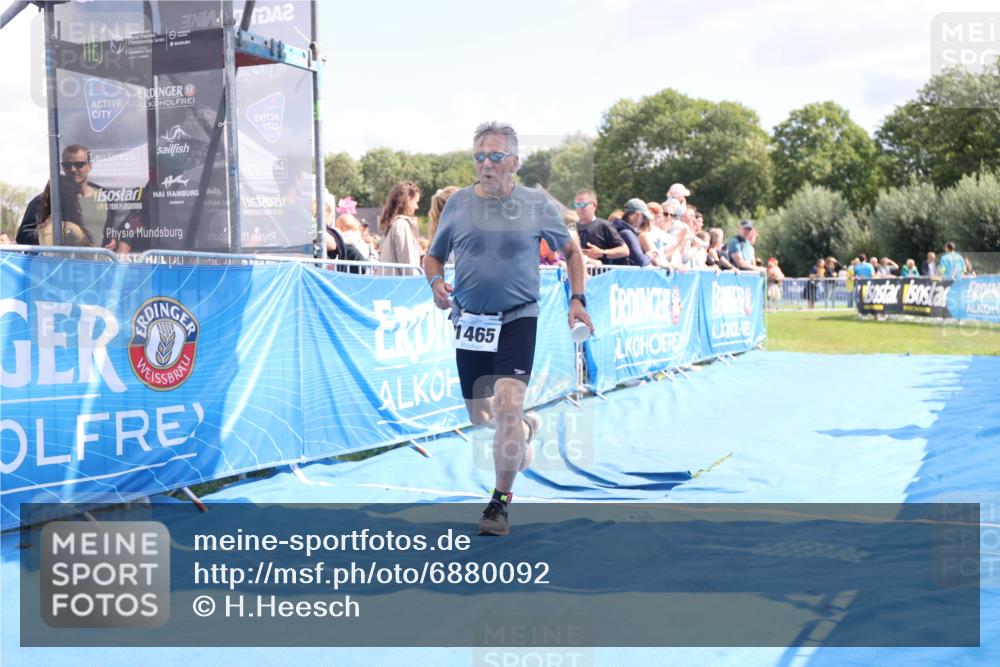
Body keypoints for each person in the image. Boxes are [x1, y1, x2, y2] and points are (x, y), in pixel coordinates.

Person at [424, 121, 592, 536]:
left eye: (496, 156)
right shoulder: (458, 204)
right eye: (479, 156)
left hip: (519, 316)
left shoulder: (536, 204)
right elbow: (433, 257)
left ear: (514, 162)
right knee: (483, 415)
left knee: (508, 404)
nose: (486, 164)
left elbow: (572, 253)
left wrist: (577, 299)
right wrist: (436, 282)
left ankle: (498, 504)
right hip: (470, 321)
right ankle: (525, 426)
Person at [572, 189, 628, 265]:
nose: (579, 208)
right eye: (576, 205)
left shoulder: (604, 225)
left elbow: (625, 250)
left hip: (600, 271)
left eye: (582, 204)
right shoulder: (571, 228)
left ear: (594, 205)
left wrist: (602, 253)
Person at [378, 180, 422, 269]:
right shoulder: (401, 225)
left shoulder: (393, 224)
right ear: (407, 199)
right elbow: (408, 265)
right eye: (416, 202)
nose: (417, 207)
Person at [608, 199, 653, 267]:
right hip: (623, 273)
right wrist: (649, 256)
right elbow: (641, 261)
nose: (642, 221)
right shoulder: (627, 233)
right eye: (643, 217)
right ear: (637, 215)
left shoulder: (615, 229)